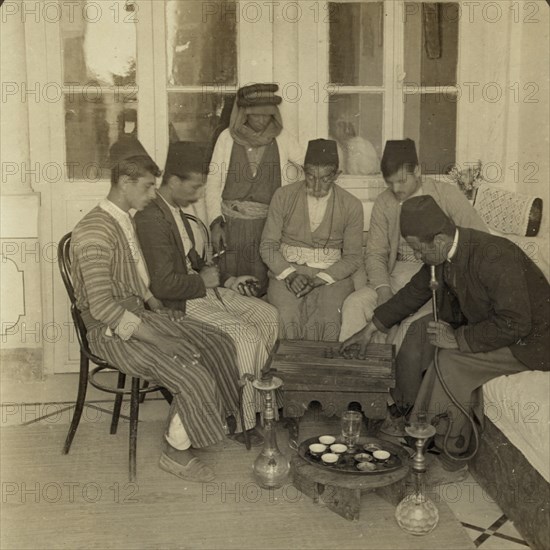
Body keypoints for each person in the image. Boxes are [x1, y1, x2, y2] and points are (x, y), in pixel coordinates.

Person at [341, 195, 550, 484]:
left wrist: (459, 338)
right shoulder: (441, 253)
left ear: (438, 239)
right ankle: (408, 420)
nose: (417, 256)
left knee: (451, 360)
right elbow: (413, 293)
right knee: (418, 333)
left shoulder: (495, 255)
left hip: (531, 340)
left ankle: (451, 460)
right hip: (491, 324)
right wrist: (369, 329)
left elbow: (516, 322)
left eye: (417, 249)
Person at [70, 136, 242, 483]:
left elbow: (134, 275)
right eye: (148, 187)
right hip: (110, 332)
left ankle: (199, 425)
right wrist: (162, 341)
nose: (153, 195)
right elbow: (103, 307)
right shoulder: (93, 231)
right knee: (190, 369)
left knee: (219, 342)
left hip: (140, 315)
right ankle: (175, 453)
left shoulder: (123, 219)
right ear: (125, 182)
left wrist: (157, 308)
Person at [134, 141, 280, 446]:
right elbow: (162, 285)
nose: (200, 194)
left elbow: (197, 265)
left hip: (202, 291)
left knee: (268, 315)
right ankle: (241, 419)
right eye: (195, 186)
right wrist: (204, 281)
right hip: (180, 303)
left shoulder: (176, 210)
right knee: (245, 336)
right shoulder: (151, 219)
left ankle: (257, 406)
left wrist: (229, 280)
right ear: (173, 182)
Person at [339, 139, 487, 342]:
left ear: (417, 170)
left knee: (410, 327)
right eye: (390, 182)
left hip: (437, 279)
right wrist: (383, 290)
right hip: (395, 274)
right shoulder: (384, 202)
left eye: (401, 181)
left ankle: (393, 372)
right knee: (354, 304)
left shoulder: (446, 195)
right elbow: (375, 253)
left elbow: (477, 238)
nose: (396, 188)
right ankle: (355, 370)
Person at [204, 83, 305, 295]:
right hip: (231, 226)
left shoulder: (282, 138)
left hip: (268, 227)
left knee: (262, 285)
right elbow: (213, 183)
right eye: (255, 115)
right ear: (243, 114)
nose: (261, 120)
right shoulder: (226, 138)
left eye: (266, 115)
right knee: (231, 283)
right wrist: (215, 223)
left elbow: (309, 164)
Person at [260, 139, 364, 341]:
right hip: (286, 271)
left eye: (325, 179)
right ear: (303, 171)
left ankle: (322, 371)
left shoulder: (351, 205)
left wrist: (318, 280)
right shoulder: (283, 196)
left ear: (336, 175)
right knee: (285, 316)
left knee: (329, 318)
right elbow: (268, 246)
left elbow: (352, 258)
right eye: (310, 176)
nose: (316, 186)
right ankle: (287, 372)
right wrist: (290, 275)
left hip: (331, 276)